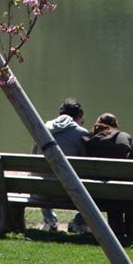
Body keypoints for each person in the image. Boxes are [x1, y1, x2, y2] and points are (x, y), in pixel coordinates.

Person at [84, 112, 133, 241]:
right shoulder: (123, 137)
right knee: (131, 188)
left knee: (111, 188)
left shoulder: (89, 140)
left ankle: (117, 230)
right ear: (116, 125)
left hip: (98, 193)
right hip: (126, 194)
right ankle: (131, 230)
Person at [32, 98, 88, 232]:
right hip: (70, 191)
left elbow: (33, 161)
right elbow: (88, 165)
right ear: (79, 116)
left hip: (41, 191)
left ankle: (50, 220)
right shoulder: (81, 133)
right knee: (93, 183)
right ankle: (79, 223)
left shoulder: (42, 129)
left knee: (41, 175)